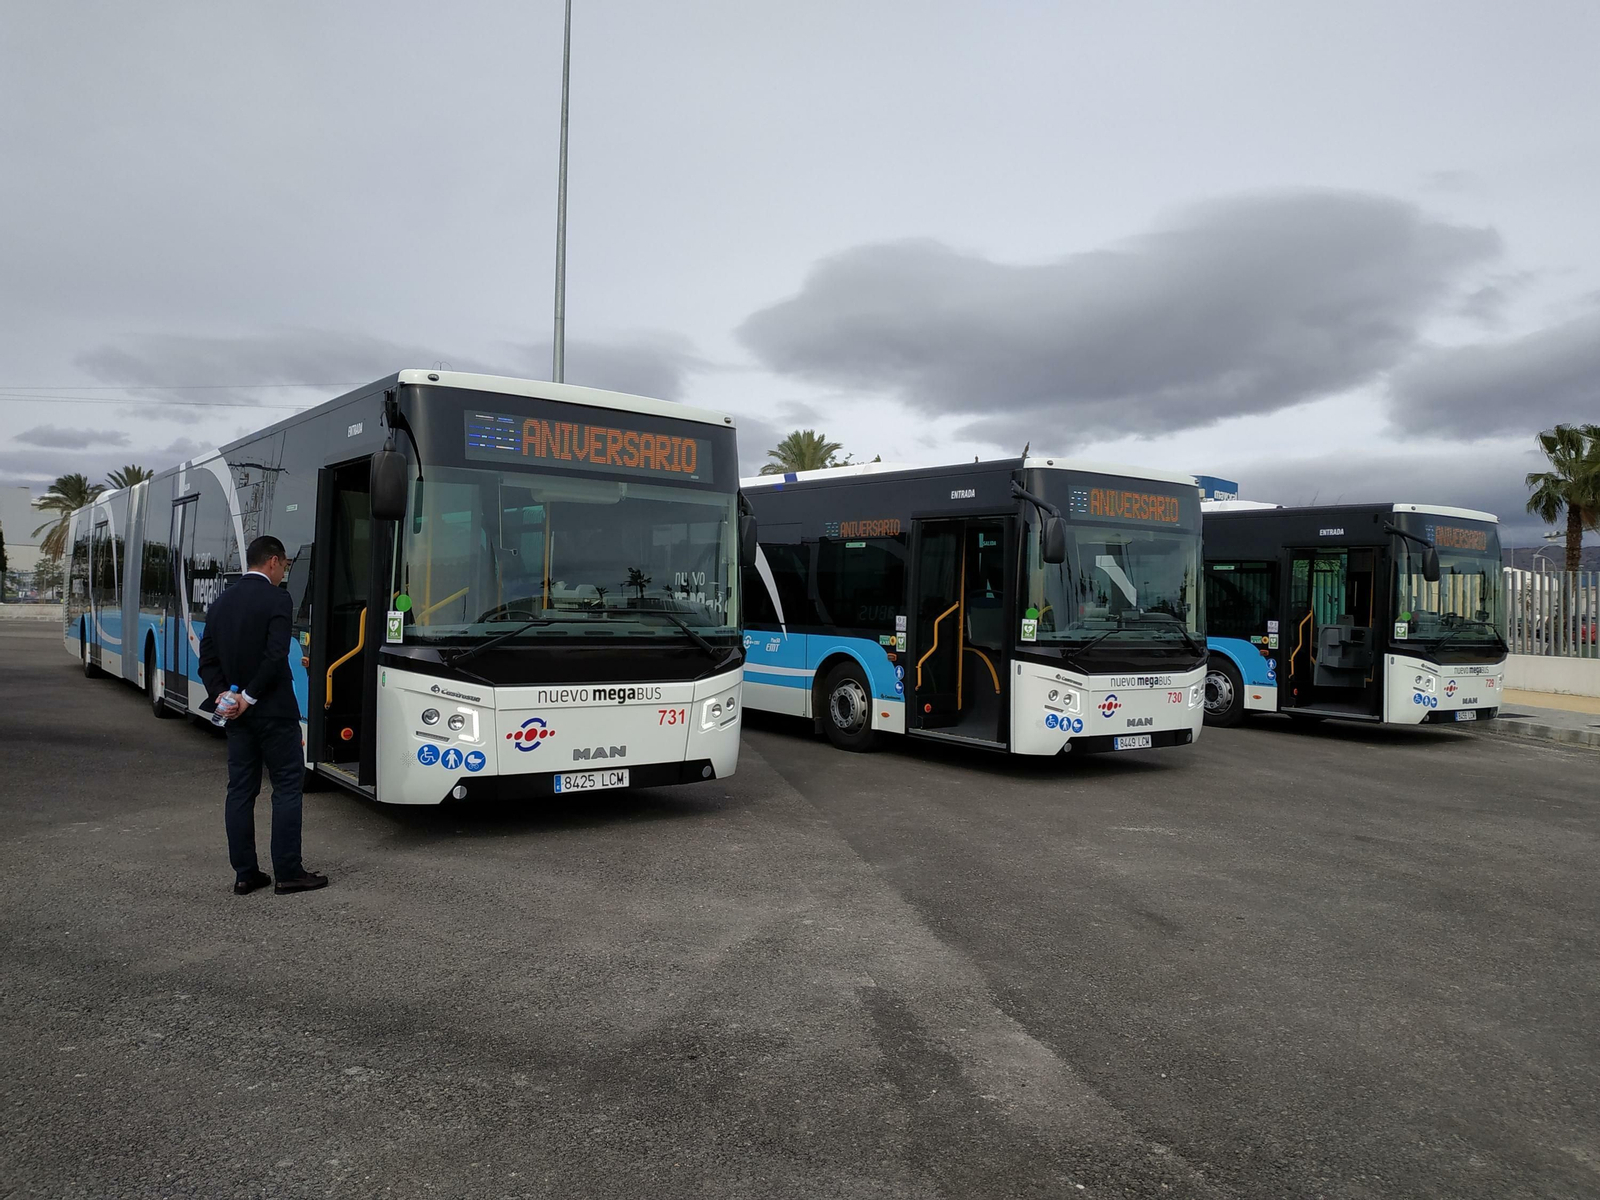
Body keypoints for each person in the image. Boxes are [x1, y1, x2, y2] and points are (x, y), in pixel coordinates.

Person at [198, 534, 328, 896]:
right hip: (273, 711)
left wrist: (226, 695)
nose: (283, 571)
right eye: (284, 565)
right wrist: (250, 697)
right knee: (287, 786)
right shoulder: (277, 598)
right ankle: (288, 872)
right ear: (273, 561)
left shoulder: (221, 603)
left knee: (240, 790)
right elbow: (275, 656)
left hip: (235, 716)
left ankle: (245, 873)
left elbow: (206, 661)